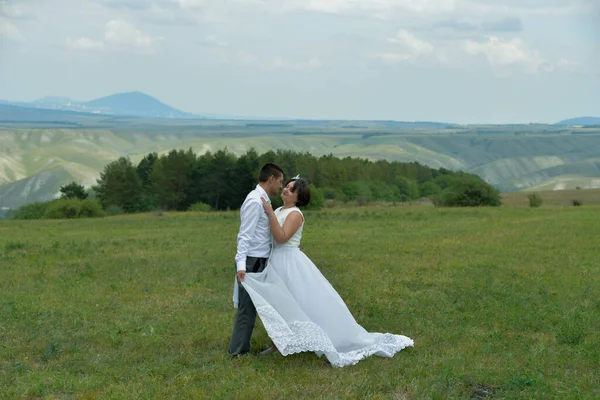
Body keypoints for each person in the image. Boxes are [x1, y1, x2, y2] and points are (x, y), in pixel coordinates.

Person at [241, 176, 414, 367]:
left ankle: (323, 339)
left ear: (298, 198)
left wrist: (268, 213)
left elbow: (281, 238)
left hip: (290, 263)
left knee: (300, 302)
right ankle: (279, 342)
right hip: (274, 261)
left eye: (291, 190)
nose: (286, 190)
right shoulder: (279, 209)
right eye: (287, 187)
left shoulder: (295, 214)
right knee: (281, 304)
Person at [228, 162, 284, 357]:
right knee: (247, 309)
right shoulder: (255, 201)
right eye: (280, 181)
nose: (281, 186)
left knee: (259, 306)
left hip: (259, 260)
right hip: (252, 262)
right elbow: (244, 236)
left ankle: (276, 345)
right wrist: (242, 265)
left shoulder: (263, 200)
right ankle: (238, 352)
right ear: (272, 179)